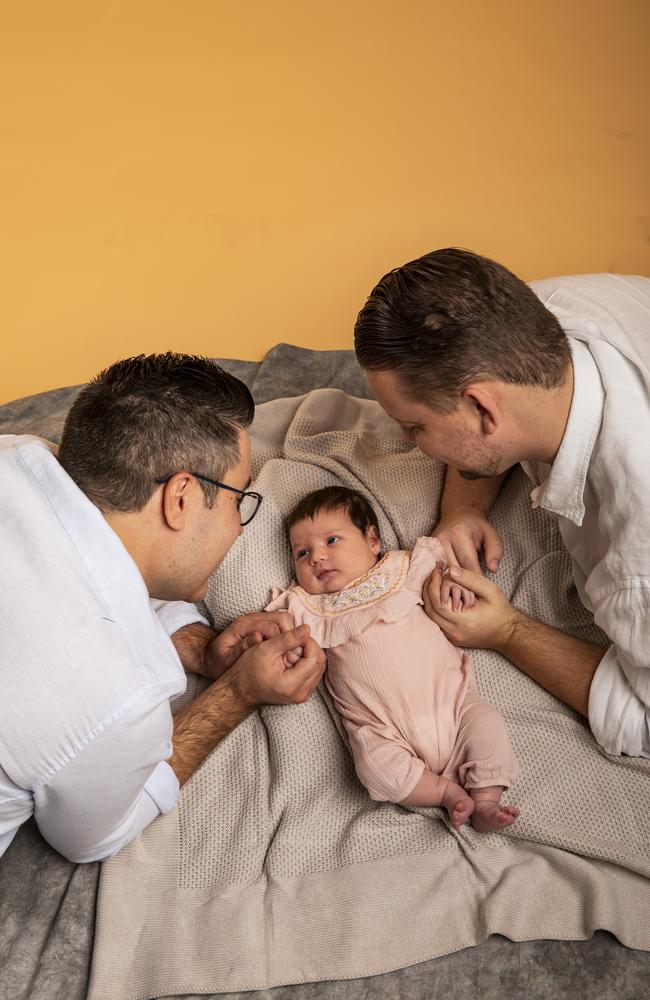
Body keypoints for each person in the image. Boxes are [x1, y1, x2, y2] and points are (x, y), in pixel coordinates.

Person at [0, 353, 324, 863]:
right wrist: (237, 691)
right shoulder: (120, 693)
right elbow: (89, 838)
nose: (240, 527)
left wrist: (198, 649)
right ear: (180, 498)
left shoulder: (15, 453)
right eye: (239, 500)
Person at [354, 248, 650, 758]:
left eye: (415, 426)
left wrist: (509, 631)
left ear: (482, 408)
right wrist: (462, 508)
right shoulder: (541, 309)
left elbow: (643, 721)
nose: (409, 442)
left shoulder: (636, 563)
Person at [266, 486, 520, 832]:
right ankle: (446, 793)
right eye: (302, 552)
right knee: (373, 767)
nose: (317, 558)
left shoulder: (402, 571)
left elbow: (444, 577)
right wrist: (286, 647)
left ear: (372, 539)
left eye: (332, 541)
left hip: (453, 705)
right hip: (383, 731)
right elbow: (286, 641)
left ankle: (486, 801)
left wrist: (452, 586)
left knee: (487, 725)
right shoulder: (310, 609)